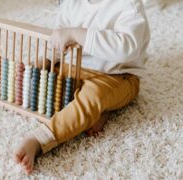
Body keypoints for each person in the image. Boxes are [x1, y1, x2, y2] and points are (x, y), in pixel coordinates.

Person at [13, 0, 150, 174]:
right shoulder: (71, 4)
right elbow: (58, 40)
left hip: (116, 75)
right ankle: (100, 110)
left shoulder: (129, 6)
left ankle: (39, 139)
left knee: (93, 98)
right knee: (48, 84)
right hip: (76, 67)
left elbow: (126, 49)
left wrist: (77, 34)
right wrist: (45, 61)